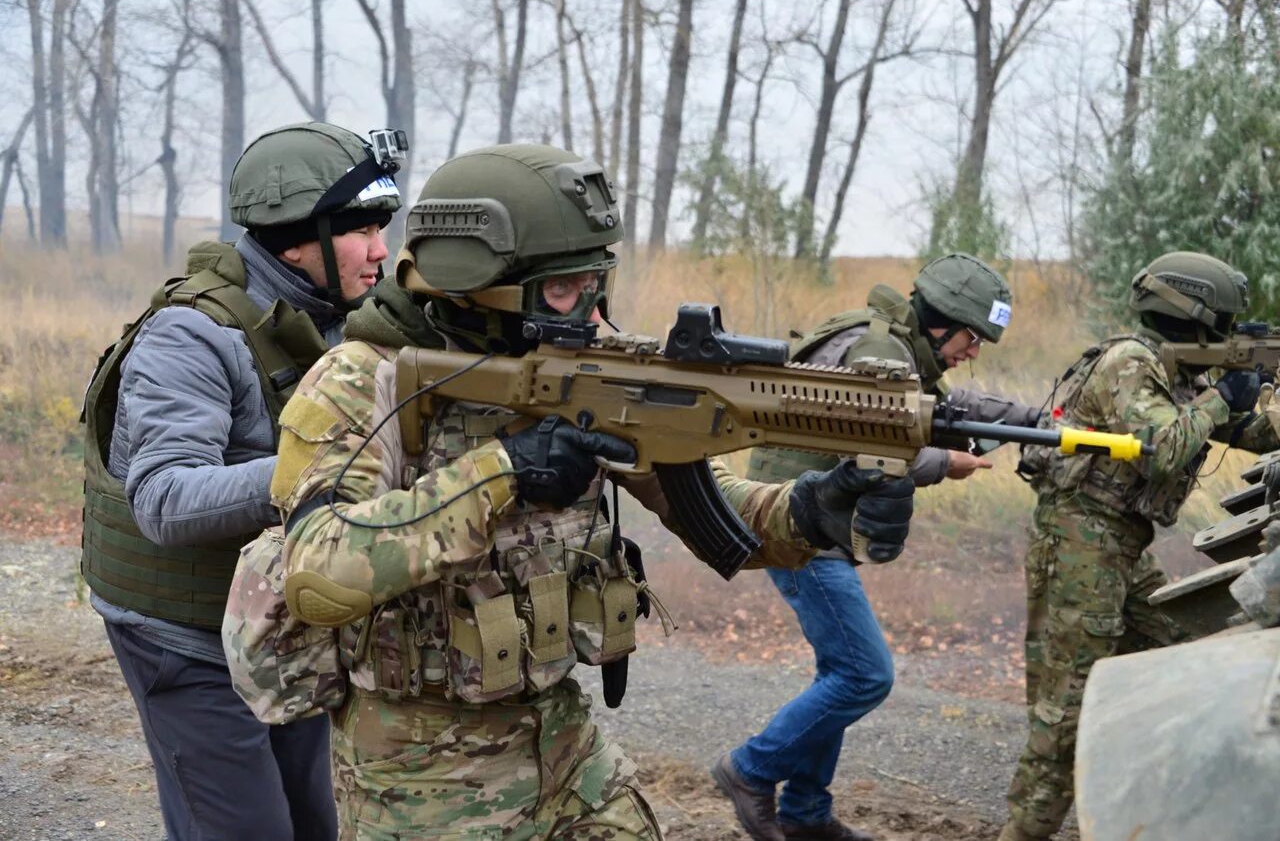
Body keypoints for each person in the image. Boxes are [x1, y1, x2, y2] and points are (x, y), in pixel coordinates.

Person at [266, 143, 915, 839]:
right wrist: (502, 472)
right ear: (477, 278)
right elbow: (315, 564)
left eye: (595, 280)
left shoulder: (583, 367)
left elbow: (710, 506)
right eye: (563, 289)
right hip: (419, 769)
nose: (591, 308)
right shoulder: (362, 380)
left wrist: (809, 509)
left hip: (562, 738)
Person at [81, 121, 403, 840]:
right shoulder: (191, 336)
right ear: (296, 239)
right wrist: (329, 464)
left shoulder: (333, 318)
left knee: (316, 823)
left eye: (384, 226)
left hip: (274, 622)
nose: (383, 248)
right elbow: (163, 499)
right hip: (184, 637)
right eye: (362, 229)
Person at [714, 254, 1041, 841]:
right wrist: (948, 464)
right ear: (941, 321)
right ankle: (750, 769)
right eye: (972, 338)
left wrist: (1036, 419)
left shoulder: (889, 344)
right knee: (865, 675)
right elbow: (871, 450)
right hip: (795, 526)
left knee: (839, 671)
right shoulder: (880, 352)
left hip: (812, 519)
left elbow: (944, 411)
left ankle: (807, 814)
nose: (974, 350)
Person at [998, 251, 1279, 840]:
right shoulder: (1131, 362)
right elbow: (1164, 447)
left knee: (1181, 658)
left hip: (1119, 547)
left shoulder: (1179, 375)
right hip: (1079, 542)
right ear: (1195, 312)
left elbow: (1248, 433)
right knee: (1064, 716)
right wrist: (1224, 394)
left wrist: (1259, 396)